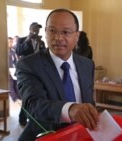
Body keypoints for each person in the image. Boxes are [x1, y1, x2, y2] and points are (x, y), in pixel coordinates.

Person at [16, 9, 98, 141]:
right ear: (46, 32)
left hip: (80, 135)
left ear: (77, 36)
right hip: (44, 135)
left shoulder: (87, 65)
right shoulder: (29, 65)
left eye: (66, 32)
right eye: (52, 31)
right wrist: (70, 109)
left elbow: (88, 101)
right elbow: (33, 104)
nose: (58, 38)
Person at [8, 37, 28, 126]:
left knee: (16, 85)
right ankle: (14, 98)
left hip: (16, 69)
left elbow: (16, 60)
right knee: (11, 85)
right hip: (9, 70)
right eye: (9, 42)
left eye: (12, 42)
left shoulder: (12, 51)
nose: (11, 43)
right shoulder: (8, 51)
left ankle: (17, 97)